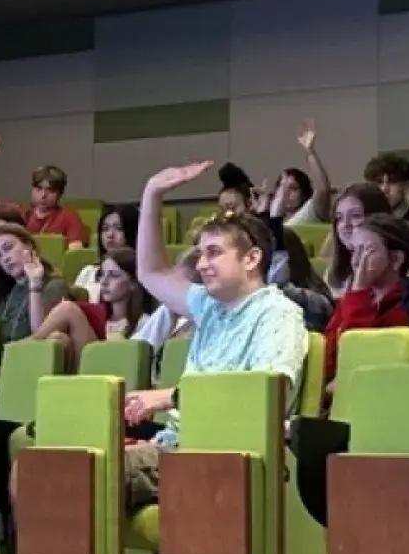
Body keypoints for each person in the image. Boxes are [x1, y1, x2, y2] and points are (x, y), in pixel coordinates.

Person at [122, 161, 310, 512]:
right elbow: (152, 271)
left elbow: (264, 399)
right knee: (50, 462)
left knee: (80, 473)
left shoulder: (277, 313)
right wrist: (152, 193)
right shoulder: (208, 306)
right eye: (200, 254)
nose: (201, 264)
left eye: (213, 253)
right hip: (178, 446)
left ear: (251, 258)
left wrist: (169, 397)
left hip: (223, 454)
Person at [321, 212, 409, 385]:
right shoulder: (350, 300)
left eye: (367, 251)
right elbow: (327, 362)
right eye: (354, 251)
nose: (356, 260)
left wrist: (359, 294)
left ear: (396, 259)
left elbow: (358, 354)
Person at [0, 136, 88, 244]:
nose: (43, 195)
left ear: (59, 194)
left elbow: (75, 252)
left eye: (50, 190)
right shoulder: (20, 213)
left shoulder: (68, 216)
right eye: (38, 188)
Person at [323, 183, 393, 298]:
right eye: (339, 218)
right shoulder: (334, 272)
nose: (345, 225)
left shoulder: (394, 270)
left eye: (355, 216)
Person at [72, 202, 138, 293]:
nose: (110, 235)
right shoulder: (88, 272)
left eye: (119, 228)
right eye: (105, 229)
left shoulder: (145, 275)